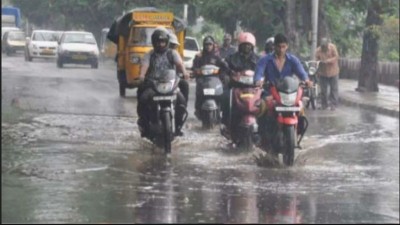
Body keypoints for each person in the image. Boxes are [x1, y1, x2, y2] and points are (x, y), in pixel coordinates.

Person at [137, 28, 189, 137]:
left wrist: (184, 72)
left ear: (167, 42)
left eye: (163, 42)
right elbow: (145, 65)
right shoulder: (149, 55)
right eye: (158, 42)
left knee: (182, 98)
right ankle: (144, 124)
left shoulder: (172, 53)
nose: (161, 44)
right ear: (154, 42)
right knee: (142, 97)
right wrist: (142, 75)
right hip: (153, 85)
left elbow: (179, 64)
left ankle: (178, 126)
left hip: (170, 84)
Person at [220, 32, 260, 127]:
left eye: (248, 45)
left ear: (252, 46)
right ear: (240, 46)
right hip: (236, 87)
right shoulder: (231, 58)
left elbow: (264, 71)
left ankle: (264, 126)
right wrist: (225, 76)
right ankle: (225, 122)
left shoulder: (258, 59)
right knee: (225, 96)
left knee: (266, 101)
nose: (246, 47)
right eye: (244, 45)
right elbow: (224, 69)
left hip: (254, 88)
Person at [191, 35, 229, 118]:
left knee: (223, 94)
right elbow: (194, 67)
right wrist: (195, 71)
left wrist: (222, 74)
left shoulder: (217, 57)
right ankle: (198, 109)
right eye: (206, 44)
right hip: (202, 80)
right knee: (198, 94)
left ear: (213, 45)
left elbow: (224, 67)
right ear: (204, 45)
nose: (208, 46)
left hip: (215, 80)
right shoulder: (199, 57)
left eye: (210, 44)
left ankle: (222, 110)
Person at [315, 37, 340, 110]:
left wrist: (328, 60)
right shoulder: (318, 50)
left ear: (327, 44)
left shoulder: (332, 47)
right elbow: (316, 59)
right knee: (323, 90)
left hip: (333, 72)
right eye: (322, 46)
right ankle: (324, 104)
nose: (324, 48)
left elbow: (336, 56)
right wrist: (319, 61)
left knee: (334, 89)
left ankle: (333, 104)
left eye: (325, 46)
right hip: (323, 73)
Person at [168, 32, 189, 104]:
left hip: (172, 79)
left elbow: (180, 64)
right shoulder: (153, 53)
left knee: (184, 84)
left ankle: (182, 109)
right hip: (157, 81)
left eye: (173, 45)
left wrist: (184, 73)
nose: (172, 47)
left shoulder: (174, 53)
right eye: (171, 45)